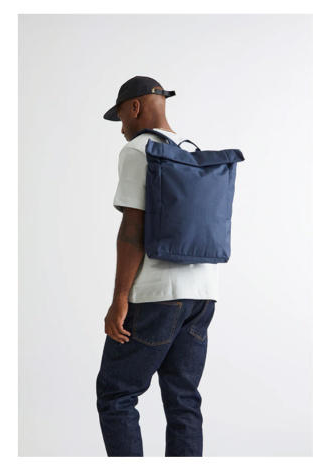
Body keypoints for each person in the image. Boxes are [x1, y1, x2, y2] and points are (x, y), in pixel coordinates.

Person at [96, 76, 218, 457]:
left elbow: (132, 230)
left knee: (116, 394)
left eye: (120, 117)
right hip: (203, 295)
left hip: (157, 295)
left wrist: (119, 299)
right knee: (184, 400)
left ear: (134, 107)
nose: (121, 128)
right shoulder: (192, 151)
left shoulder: (138, 150)